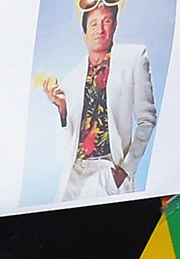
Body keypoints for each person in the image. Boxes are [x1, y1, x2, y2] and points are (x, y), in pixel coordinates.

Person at [40, 0, 156, 203]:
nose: (100, 30)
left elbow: (147, 119)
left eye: (107, 21)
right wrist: (63, 110)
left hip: (108, 168)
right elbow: (64, 151)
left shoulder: (134, 57)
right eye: (93, 24)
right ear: (84, 33)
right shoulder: (71, 79)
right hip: (75, 174)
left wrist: (125, 170)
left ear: (115, 25)